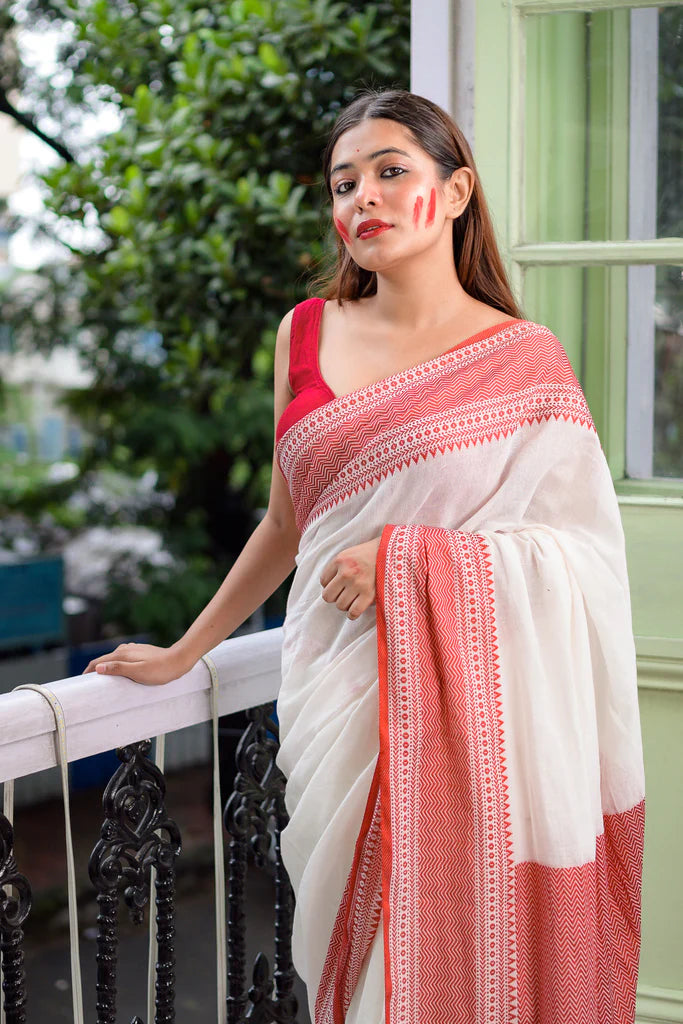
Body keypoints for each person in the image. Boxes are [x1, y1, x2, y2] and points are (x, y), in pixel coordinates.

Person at [85, 89, 645, 1024]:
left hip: (475, 720)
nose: (363, 199)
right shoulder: (304, 331)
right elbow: (283, 524)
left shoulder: (522, 360)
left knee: (451, 953)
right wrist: (186, 651)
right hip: (334, 693)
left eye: (391, 172)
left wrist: (406, 558)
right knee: (361, 968)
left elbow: (581, 555)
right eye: (344, 184)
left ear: (455, 192)